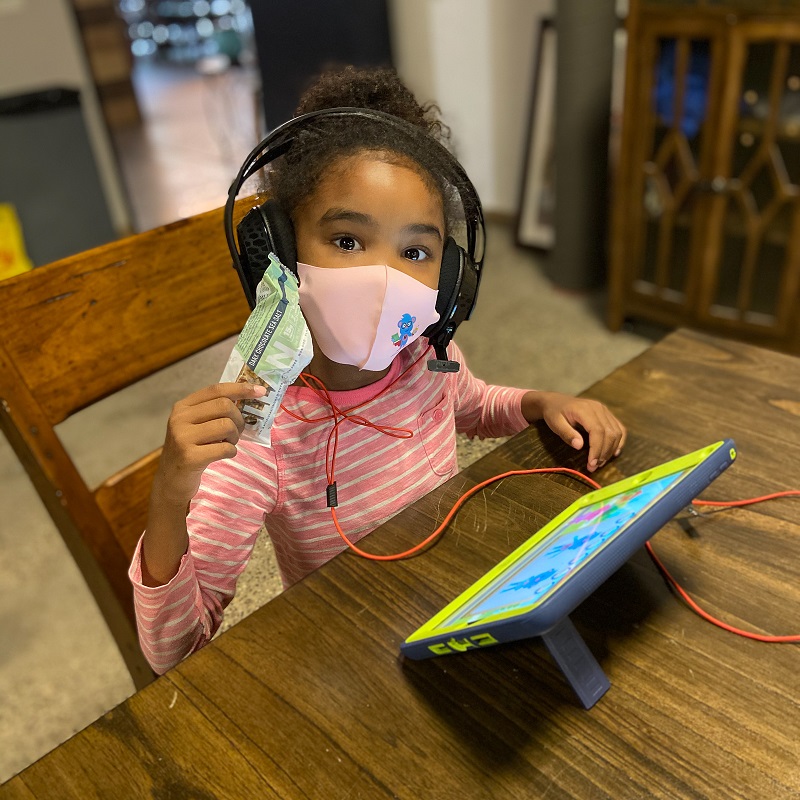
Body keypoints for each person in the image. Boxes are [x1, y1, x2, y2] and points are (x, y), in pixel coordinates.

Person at [129, 66, 626, 674]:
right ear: (279, 251)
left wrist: (537, 403)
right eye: (346, 241)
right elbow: (172, 652)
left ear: (449, 282)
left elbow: (469, 406)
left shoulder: (426, 359)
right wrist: (168, 497)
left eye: (415, 252)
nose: (385, 279)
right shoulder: (260, 434)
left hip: (462, 602)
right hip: (359, 658)